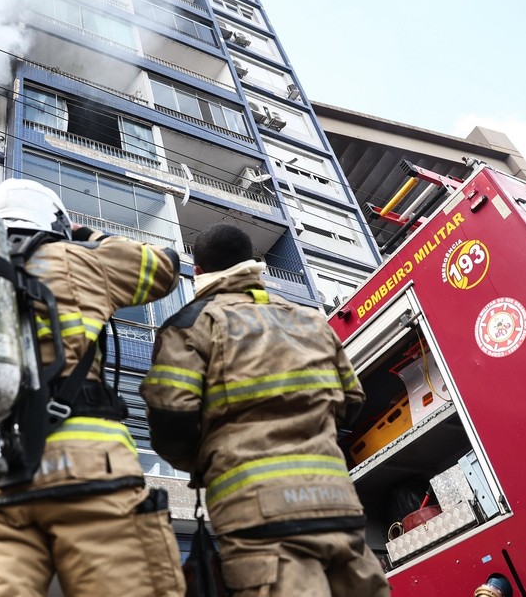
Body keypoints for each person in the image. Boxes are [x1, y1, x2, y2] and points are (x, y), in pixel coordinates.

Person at [0, 178, 186, 597]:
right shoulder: (84, 261)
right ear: (56, 221)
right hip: (91, 472)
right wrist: (85, 236)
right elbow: (163, 267)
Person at [141, 223, 391, 597]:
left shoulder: (191, 325)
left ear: (198, 271)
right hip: (337, 503)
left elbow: (170, 421)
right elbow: (352, 401)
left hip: (257, 511)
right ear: (251, 263)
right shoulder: (309, 320)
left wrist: (205, 461)